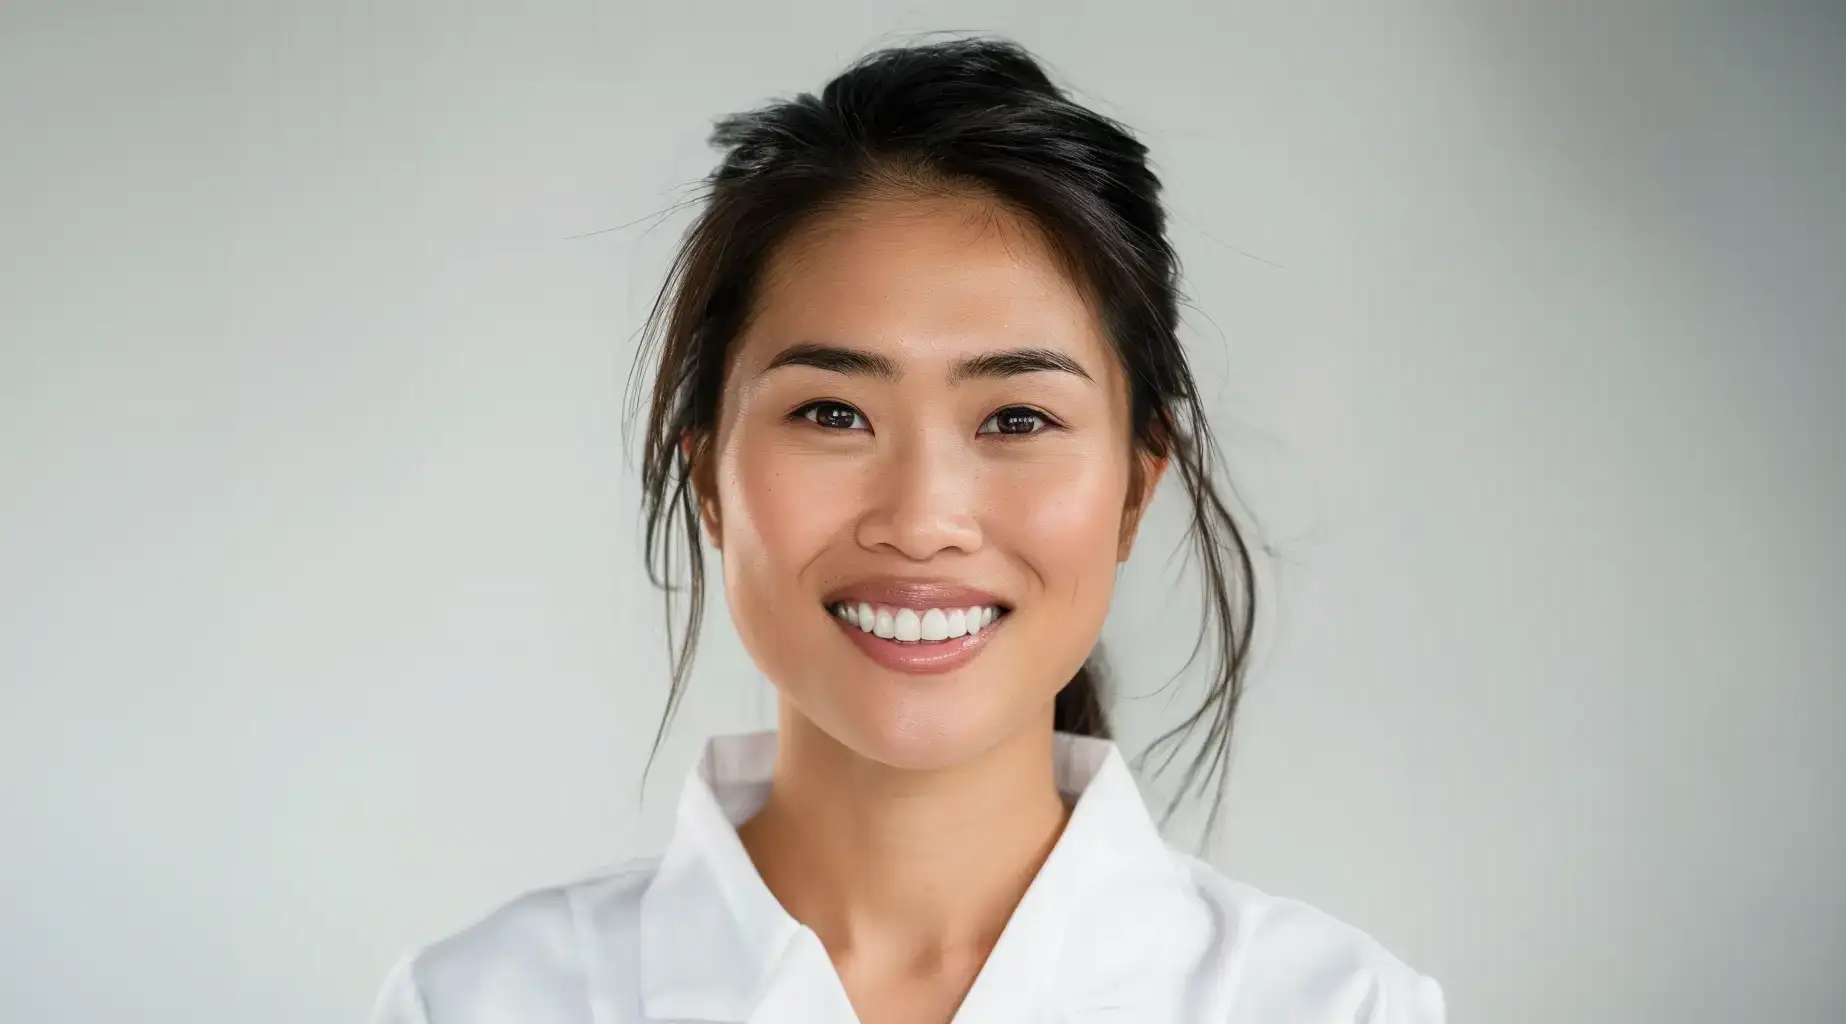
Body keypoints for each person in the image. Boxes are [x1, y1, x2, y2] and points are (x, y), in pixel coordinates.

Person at [372, 36, 1444, 1024]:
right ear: (706, 475)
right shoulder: (473, 1002)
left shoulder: (1339, 1008)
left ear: (1133, 486)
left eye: (1016, 417)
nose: (922, 519)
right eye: (832, 414)